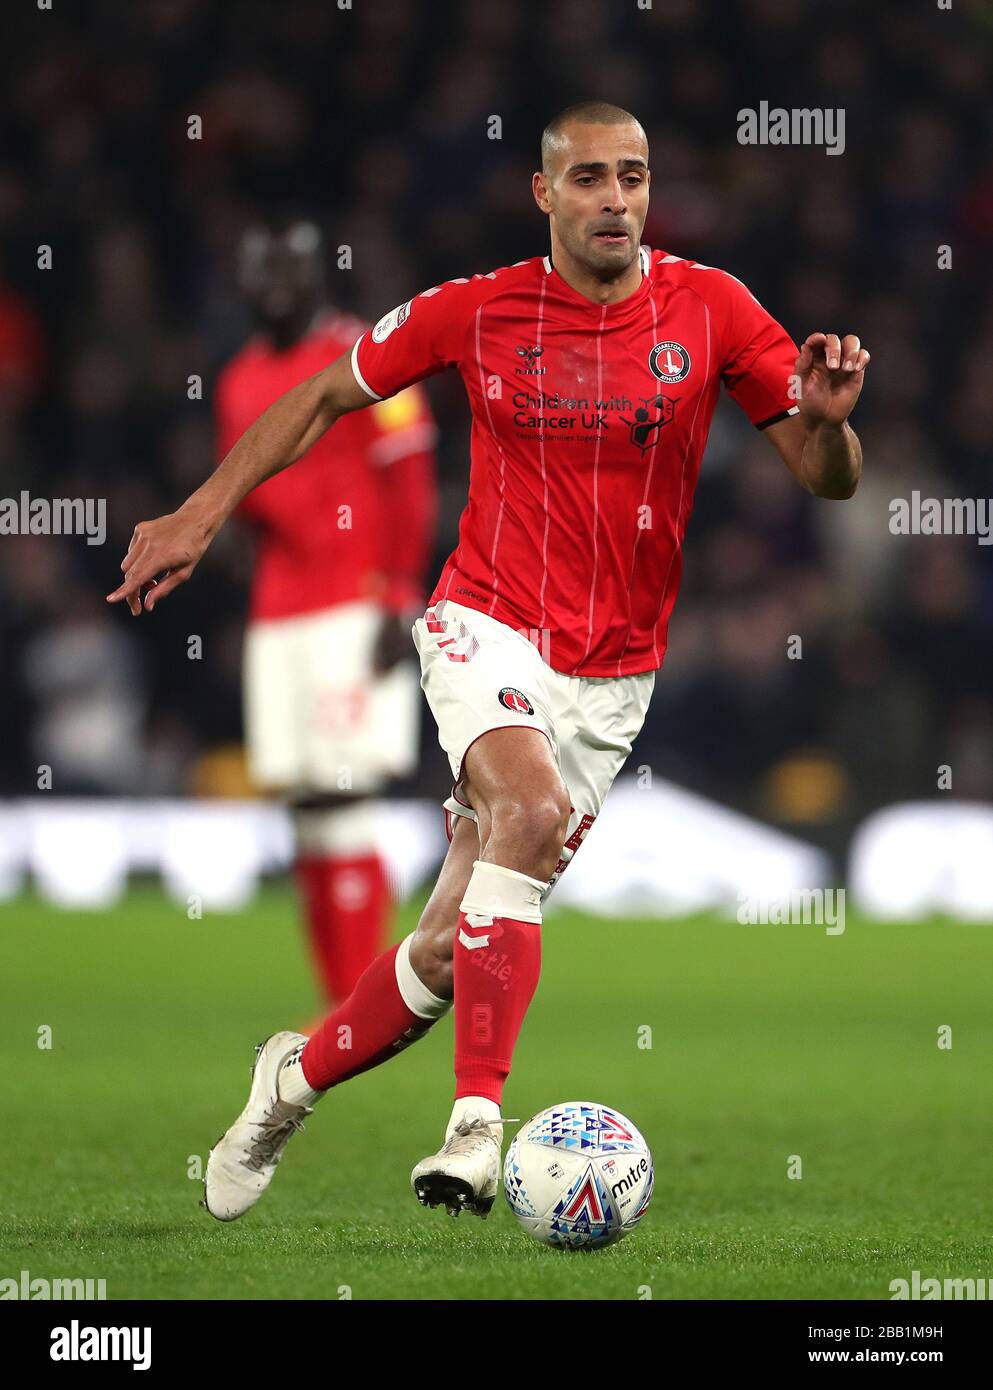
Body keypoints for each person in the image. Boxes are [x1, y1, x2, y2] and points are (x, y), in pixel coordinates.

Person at [107, 102, 869, 1223]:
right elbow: (325, 390)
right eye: (593, 178)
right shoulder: (479, 310)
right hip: (485, 619)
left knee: (450, 948)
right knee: (528, 805)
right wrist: (200, 511)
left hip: (614, 677)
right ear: (546, 193)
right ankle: (476, 1125)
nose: (617, 198)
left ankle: (291, 1080)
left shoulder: (711, 309)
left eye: (636, 177)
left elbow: (825, 476)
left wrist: (836, 425)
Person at [216, 216, 437, 1007]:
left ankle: (361, 999)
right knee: (304, 798)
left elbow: (410, 480)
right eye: (261, 273)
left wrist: (401, 595)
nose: (275, 287)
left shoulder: (367, 359)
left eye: (289, 271)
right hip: (279, 613)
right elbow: (248, 504)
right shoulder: (239, 378)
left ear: (316, 276)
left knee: (346, 792)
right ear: (243, 284)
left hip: (355, 603)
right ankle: (335, 997)